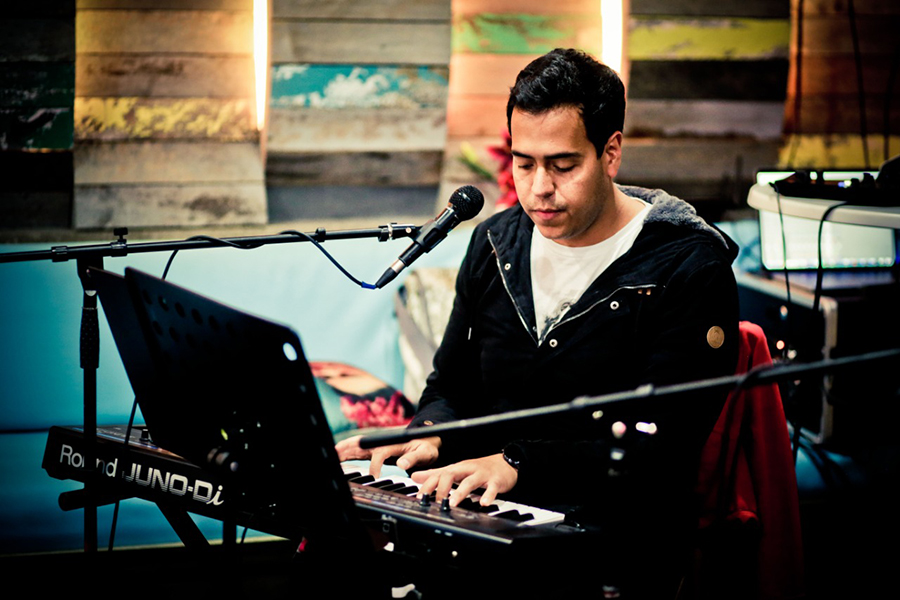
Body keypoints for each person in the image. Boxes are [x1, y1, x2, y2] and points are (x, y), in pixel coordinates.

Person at [337, 48, 739, 596]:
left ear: (611, 153)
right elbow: (450, 385)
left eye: (563, 165)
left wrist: (516, 463)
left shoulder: (687, 265)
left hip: (609, 541)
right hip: (482, 518)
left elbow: (660, 442)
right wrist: (427, 437)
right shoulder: (494, 242)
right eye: (523, 163)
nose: (538, 189)